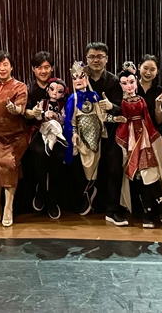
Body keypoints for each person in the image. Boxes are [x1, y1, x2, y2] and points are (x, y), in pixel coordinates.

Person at [115, 64, 162, 228]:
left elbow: (147, 117)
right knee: (139, 174)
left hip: (145, 136)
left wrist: (153, 136)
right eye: (124, 83)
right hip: (131, 137)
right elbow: (122, 120)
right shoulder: (122, 102)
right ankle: (153, 206)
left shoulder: (141, 100)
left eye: (131, 82)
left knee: (148, 169)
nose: (129, 86)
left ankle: (154, 207)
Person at [84, 42, 128, 226]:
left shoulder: (114, 81)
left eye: (100, 56)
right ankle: (85, 201)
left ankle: (112, 210)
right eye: (92, 57)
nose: (96, 60)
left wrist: (111, 106)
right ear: (87, 59)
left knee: (113, 166)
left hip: (110, 132)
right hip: (85, 131)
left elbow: (122, 109)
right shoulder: (80, 78)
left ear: (107, 59)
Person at [0, 51, 29, 227]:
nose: (2, 68)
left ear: (11, 67)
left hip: (15, 136)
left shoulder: (20, 86)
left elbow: (20, 108)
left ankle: (8, 207)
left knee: (8, 162)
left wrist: (15, 109)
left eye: (5, 64)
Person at [63, 61, 107, 216]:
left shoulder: (94, 96)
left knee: (95, 167)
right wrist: (73, 133)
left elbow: (101, 116)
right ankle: (85, 194)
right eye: (74, 78)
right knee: (82, 168)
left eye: (81, 76)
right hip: (81, 140)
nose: (78, 80)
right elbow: (70, 120)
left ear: (87, 78)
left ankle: (92, 191)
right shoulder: (73, 99)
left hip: (96, 138)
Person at [27, 77, 69, 219]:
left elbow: (65, 118)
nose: (55, 93)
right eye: (52, 89)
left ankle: (52, 199)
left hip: (58, 132)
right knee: (40, 155)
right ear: (47, 90)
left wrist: (58, 117)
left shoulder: (63, 105)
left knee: (57, 158)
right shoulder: (42, 102)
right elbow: (36, 116)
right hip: (42, 131)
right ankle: (41, 190)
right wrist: (43, 114)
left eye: (59, 91)